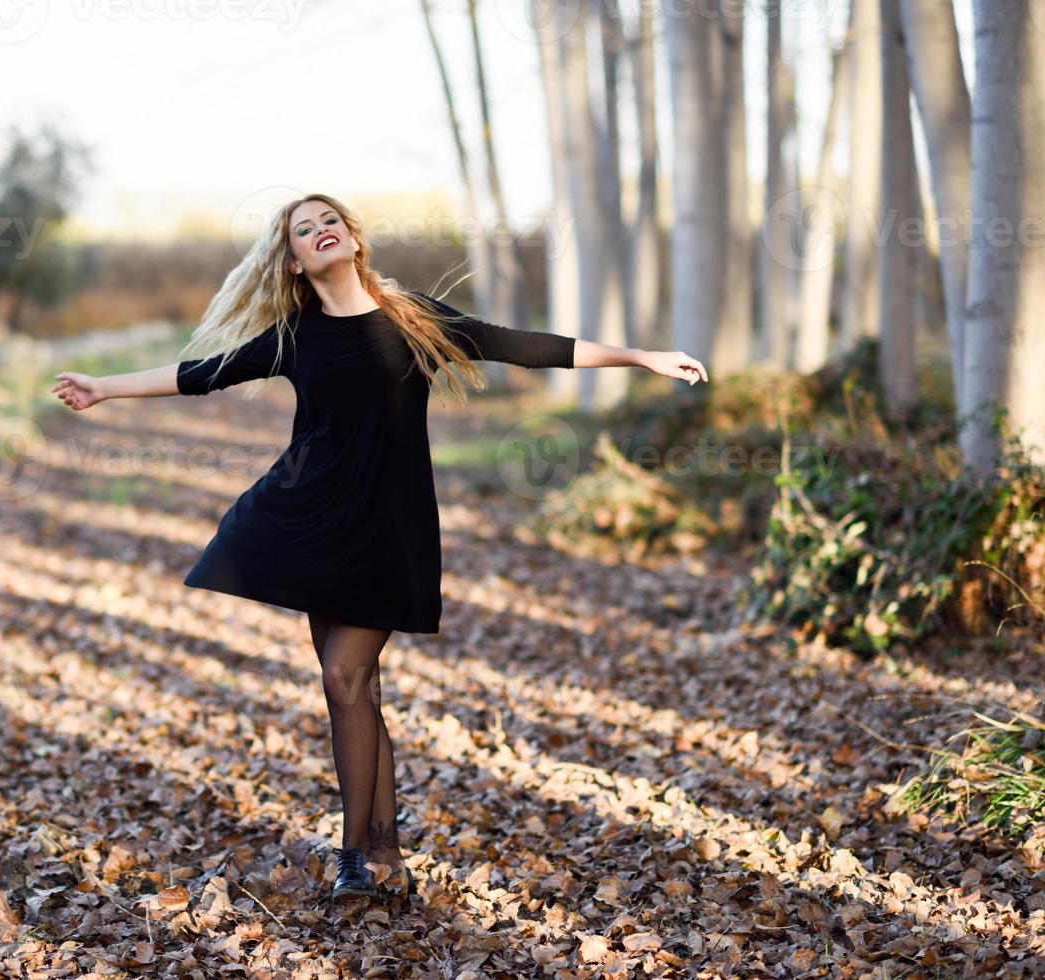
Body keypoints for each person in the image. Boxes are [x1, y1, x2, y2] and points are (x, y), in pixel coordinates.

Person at [50, 193, 708, 907]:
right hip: (310, 522)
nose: (319, 231)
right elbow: (198, 374)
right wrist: (103, 389)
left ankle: (350, 855)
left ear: (352, 238)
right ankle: (385, 855)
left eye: (328, 220)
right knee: (353, 694)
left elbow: (523, 344)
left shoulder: (412, 317)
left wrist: (641, 358)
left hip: (389, 528)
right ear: (296, 263)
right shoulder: (293, 334)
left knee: (343, 678)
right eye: (303, 230)